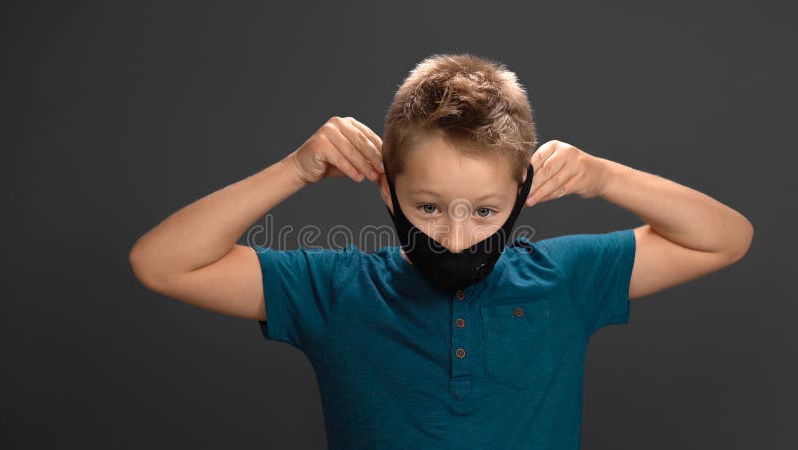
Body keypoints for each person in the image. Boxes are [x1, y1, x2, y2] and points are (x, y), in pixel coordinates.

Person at [129, 53, 754, 450]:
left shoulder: (564, 279)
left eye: (484, 211)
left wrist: (606, 178)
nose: (455, 237)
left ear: (522, 194)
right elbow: (161, 262)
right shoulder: (333, 290)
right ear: (386, 188)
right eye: (428, 207)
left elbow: (726, 238)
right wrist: (294, 170)